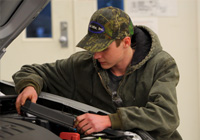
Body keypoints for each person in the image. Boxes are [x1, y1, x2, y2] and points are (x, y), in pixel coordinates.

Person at [13, 6, 182, 140]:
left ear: (125, 42)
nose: (96, 55)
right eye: (93, 48)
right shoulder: (82, 65)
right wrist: (29, 86)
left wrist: (110, 120)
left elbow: (166, 116)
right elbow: (32, 71)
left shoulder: (161, 64)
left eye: (103, 49)